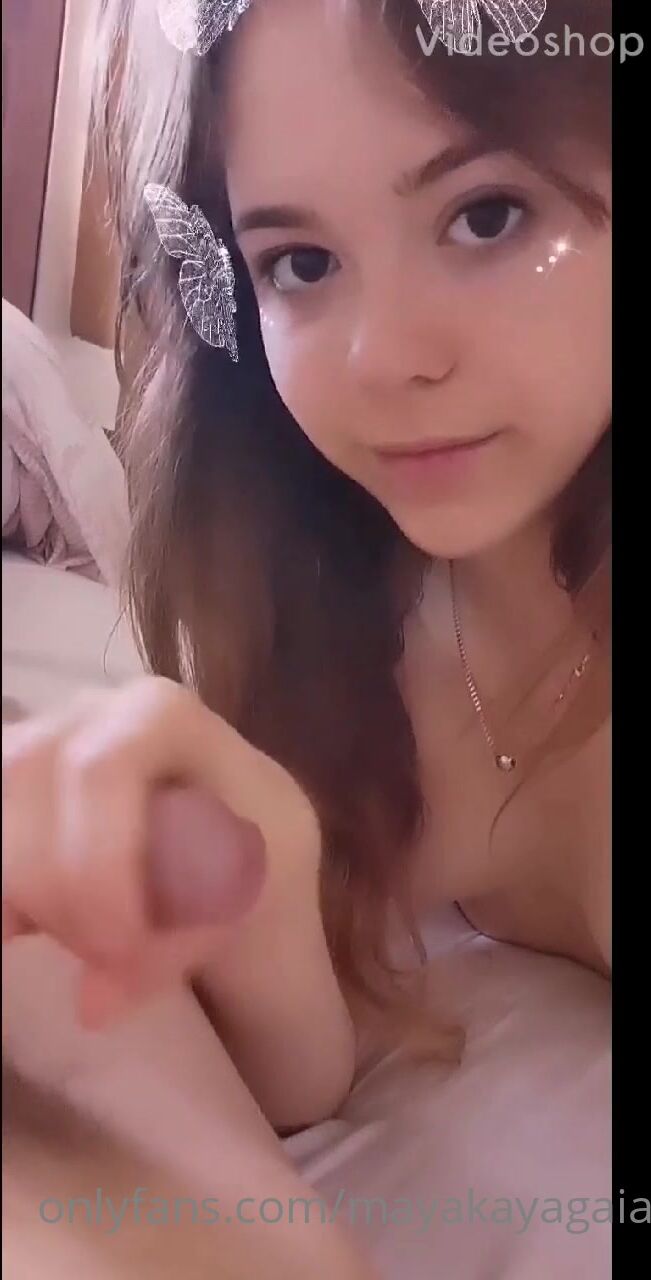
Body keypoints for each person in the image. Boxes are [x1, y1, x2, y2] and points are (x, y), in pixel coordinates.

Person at [3, 0, 610, 1171]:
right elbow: (303, 1078)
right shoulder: (324, 612)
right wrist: (262, 885)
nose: (384, 357)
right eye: (303, 263)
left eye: (487, 214)